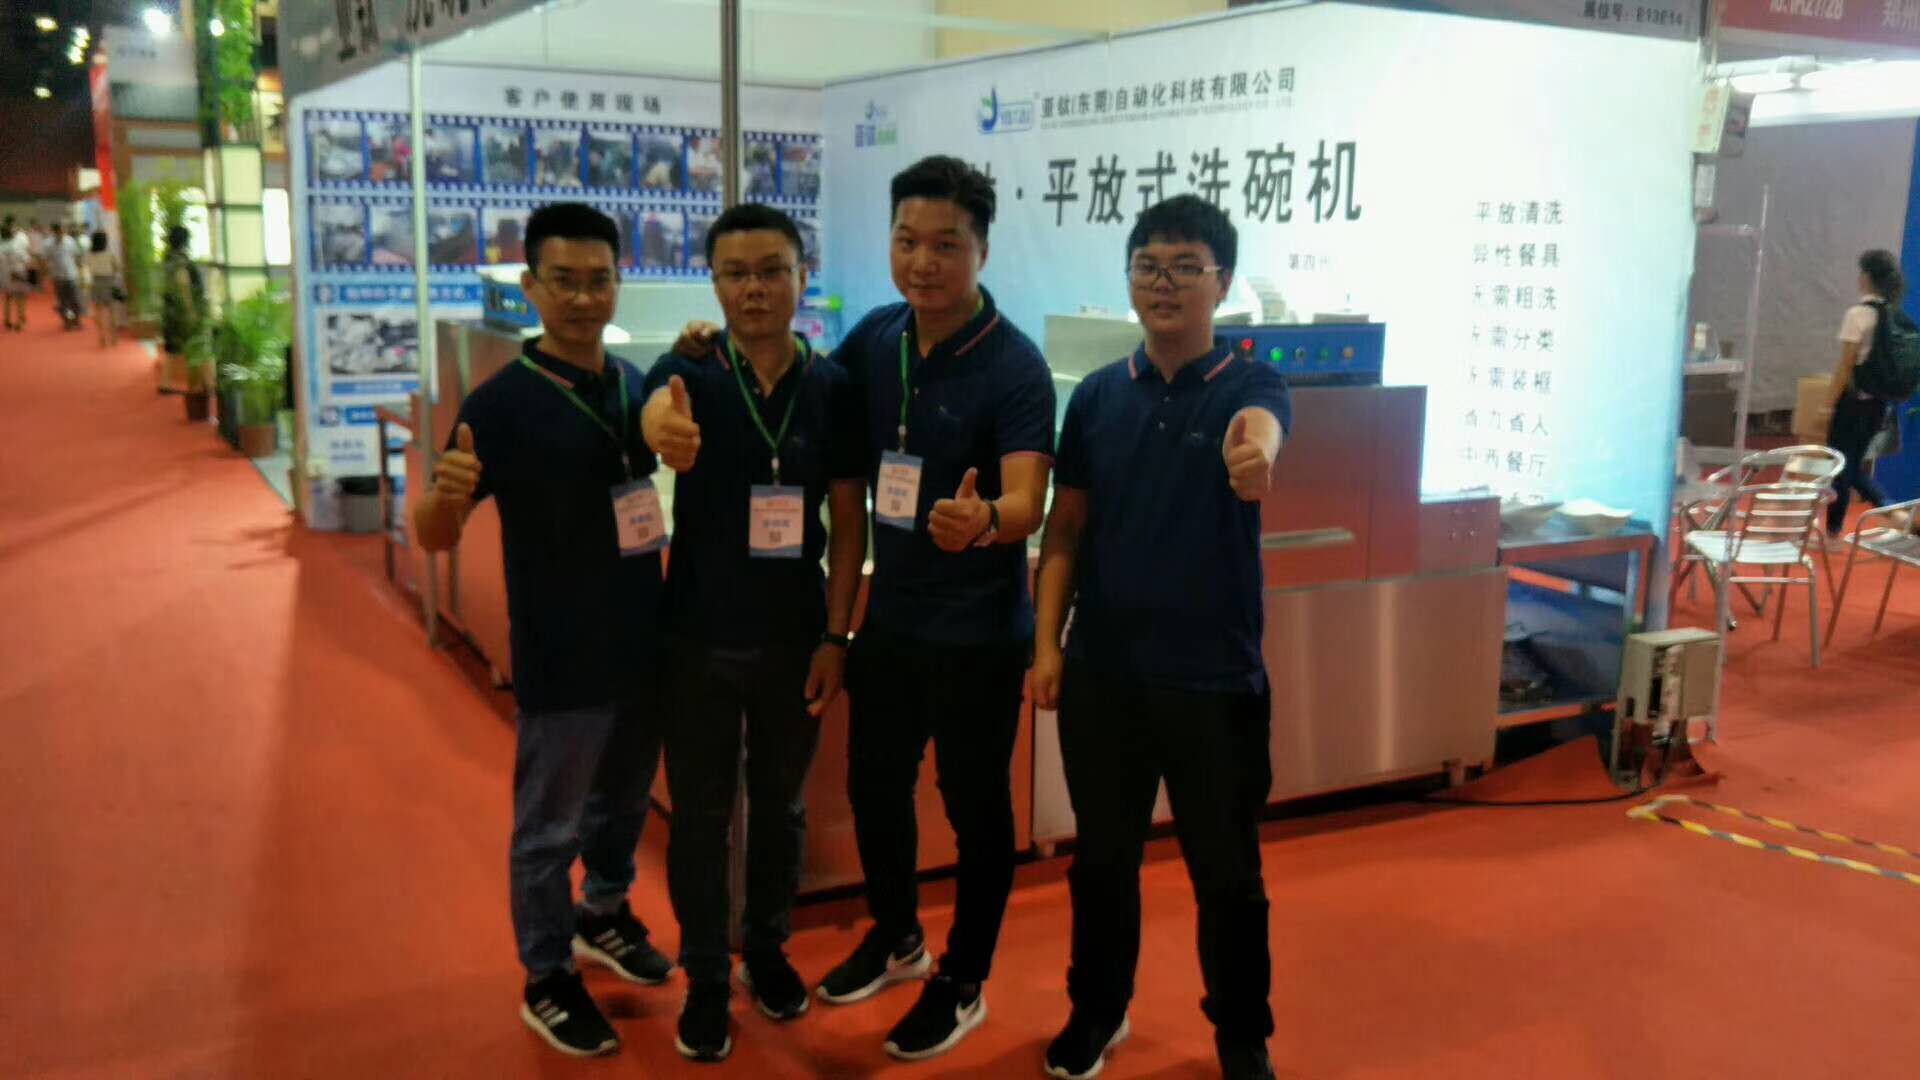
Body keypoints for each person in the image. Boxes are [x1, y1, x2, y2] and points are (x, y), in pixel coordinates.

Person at [1030, 195, 1289, 1080]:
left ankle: (1242, 1035)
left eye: (1186, 267)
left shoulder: (1250, 386)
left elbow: (1264, 436)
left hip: (1214, 679)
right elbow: (1065, 530)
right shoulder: (1099, 397)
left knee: (1228, 874)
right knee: (1101, 863)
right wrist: (1047, 645)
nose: (1164, 283)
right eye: (1148, 266)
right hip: (1105, 676)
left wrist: (1255, 458)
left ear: (1223, 281)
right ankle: (1097, 1010)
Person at [410, 202, 674, 1060]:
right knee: (548, 825)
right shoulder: (501, 406)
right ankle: (547, 974)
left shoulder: (631, 385)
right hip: (561, 649)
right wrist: (444, 496)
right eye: (564, 281)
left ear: (619, 283)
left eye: (599, 280)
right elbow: (434, 534)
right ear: (530, 287)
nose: (583, 298)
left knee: (623, 803)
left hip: (642, 638)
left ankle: (604, 912)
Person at [635, 203, 867, 1063]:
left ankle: (766, 951)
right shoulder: (688, 369)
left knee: (781, 809)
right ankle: (704, 977)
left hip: (794, 640)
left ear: (803, 276)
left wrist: (836, 638)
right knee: (699, 819)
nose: (755, 288)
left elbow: (849, 521)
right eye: (735, 273)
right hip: (696, 638)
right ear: (713, 283)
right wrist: (661, 429)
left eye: (772, 270)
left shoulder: (834, 388)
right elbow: (652, 415)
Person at [1825, 249, 1908, 538]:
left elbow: (1845, 364)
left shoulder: (1857, 315)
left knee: (1839, 464)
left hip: (1852, 401)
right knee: (1853, 464)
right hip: (1879, 404)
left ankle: (1834, 532)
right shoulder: (1894, 316)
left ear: (1867, 277)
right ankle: (1893, 512)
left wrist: (1827, 404)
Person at [86, 231, 122, 348]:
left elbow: (88, 268)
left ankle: (102, 337)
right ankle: (114, 337)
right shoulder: (109, 254)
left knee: (98, 311)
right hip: (109, 282)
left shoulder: (89, 255)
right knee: (111, 310)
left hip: (95, 282)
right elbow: (117, 268)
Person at [50, 223, 84, 330]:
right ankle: (67, 321)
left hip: (71, 275)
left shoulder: (70, 241)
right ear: (54, 232)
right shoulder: (49, 244)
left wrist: (80, 269)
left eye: (61, 231)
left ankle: (76, 320)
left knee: (74, 300)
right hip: (57, 276)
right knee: (63, 301)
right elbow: (46, 258)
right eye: (58, 232)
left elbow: (77, 255)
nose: (60, 233)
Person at [1, 219, 30, 332]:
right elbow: (25, 258)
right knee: (19, 297)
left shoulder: (1, 244)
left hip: (5, 274)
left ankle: (7, 319)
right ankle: (19, 321)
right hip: (17, 272)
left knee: (8, 297)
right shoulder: (16, 244)